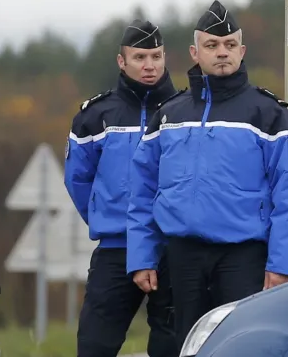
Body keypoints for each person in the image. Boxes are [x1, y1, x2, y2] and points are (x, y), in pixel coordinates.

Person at [126, 0, 288, 346]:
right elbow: (142, 191)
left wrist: (283, 266)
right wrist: (141, 256)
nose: (221, 53)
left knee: (243, 346)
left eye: (229, 45)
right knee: (186, 346)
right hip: (182, 257)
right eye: (212, 45)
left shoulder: (270, 116)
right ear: (195, 52)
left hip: (244, 258)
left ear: (242, 51)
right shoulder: (168, 116)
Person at [65, 20, 179, 357]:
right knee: (94, 344)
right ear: (121, 61)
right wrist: (109, 216)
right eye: (140, 57)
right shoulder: (95, 116)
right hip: (117, 248)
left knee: (172, 345)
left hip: (172, 247)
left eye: (156, 56)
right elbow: (78, 180)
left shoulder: (184, 113)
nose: (149, 66)